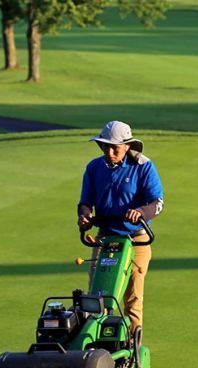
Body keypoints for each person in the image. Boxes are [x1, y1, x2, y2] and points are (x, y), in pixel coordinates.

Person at [77, 120, 164, 335]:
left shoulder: (143, 167)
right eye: (105, 146)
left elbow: (157, 203)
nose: (109, 151)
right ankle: (97, 343)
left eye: (114, 147)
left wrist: (141, 213)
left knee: (133, 297)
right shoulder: (94, 168)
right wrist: (85, 215)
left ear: (127, 145)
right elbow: (85, 202)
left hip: (136, 238)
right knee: (99, 294)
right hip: (105, 237)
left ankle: (133, 349)